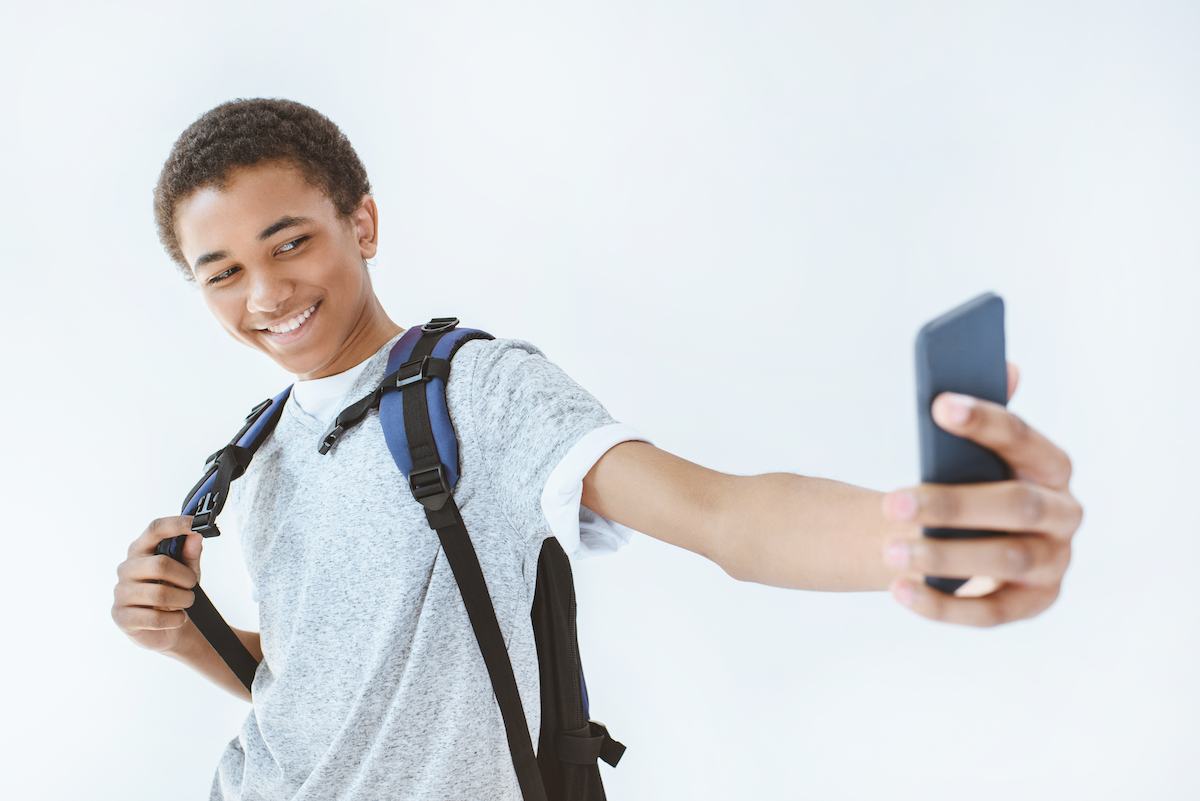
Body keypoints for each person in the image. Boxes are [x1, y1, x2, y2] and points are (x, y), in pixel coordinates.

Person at [112, 98, 1083, 800]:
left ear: (360, 222)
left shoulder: (474, 392)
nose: (265, 294)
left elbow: (722, 515)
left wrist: (916, 537)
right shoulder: (258, 459)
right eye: (224, 272)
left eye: (289, 243)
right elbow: (330, 686)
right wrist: (186, 636)